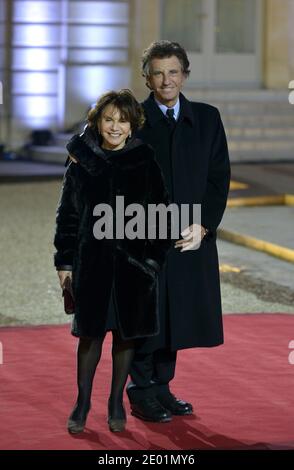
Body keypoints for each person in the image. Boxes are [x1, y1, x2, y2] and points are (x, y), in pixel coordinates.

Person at [54, 89, 171, 433]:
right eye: (109, 119)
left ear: (133, 126)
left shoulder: (145, 161)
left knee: (125, 337)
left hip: (134, 270)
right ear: (97, 122)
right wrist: (64, 264)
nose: (115, 127)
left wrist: (151, 262)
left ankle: (116, 400)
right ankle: (82, 402)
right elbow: (68, 217)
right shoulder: (82, 161)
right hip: (92, 265)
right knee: (90, 337)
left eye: (122, 120)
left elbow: (161, 215)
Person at [127, 40, 231, 422]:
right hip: (143, 238)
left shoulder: (206, 118)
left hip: (190, 236)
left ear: (185, 74)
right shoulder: (132, 118)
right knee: (145, 316)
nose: (166, 80)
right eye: (158, 72)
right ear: (147, 77)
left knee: (177, 315)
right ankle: (140, 390)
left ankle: (163, 387)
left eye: (173, 72)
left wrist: (204, 225)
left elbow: (218, 178)